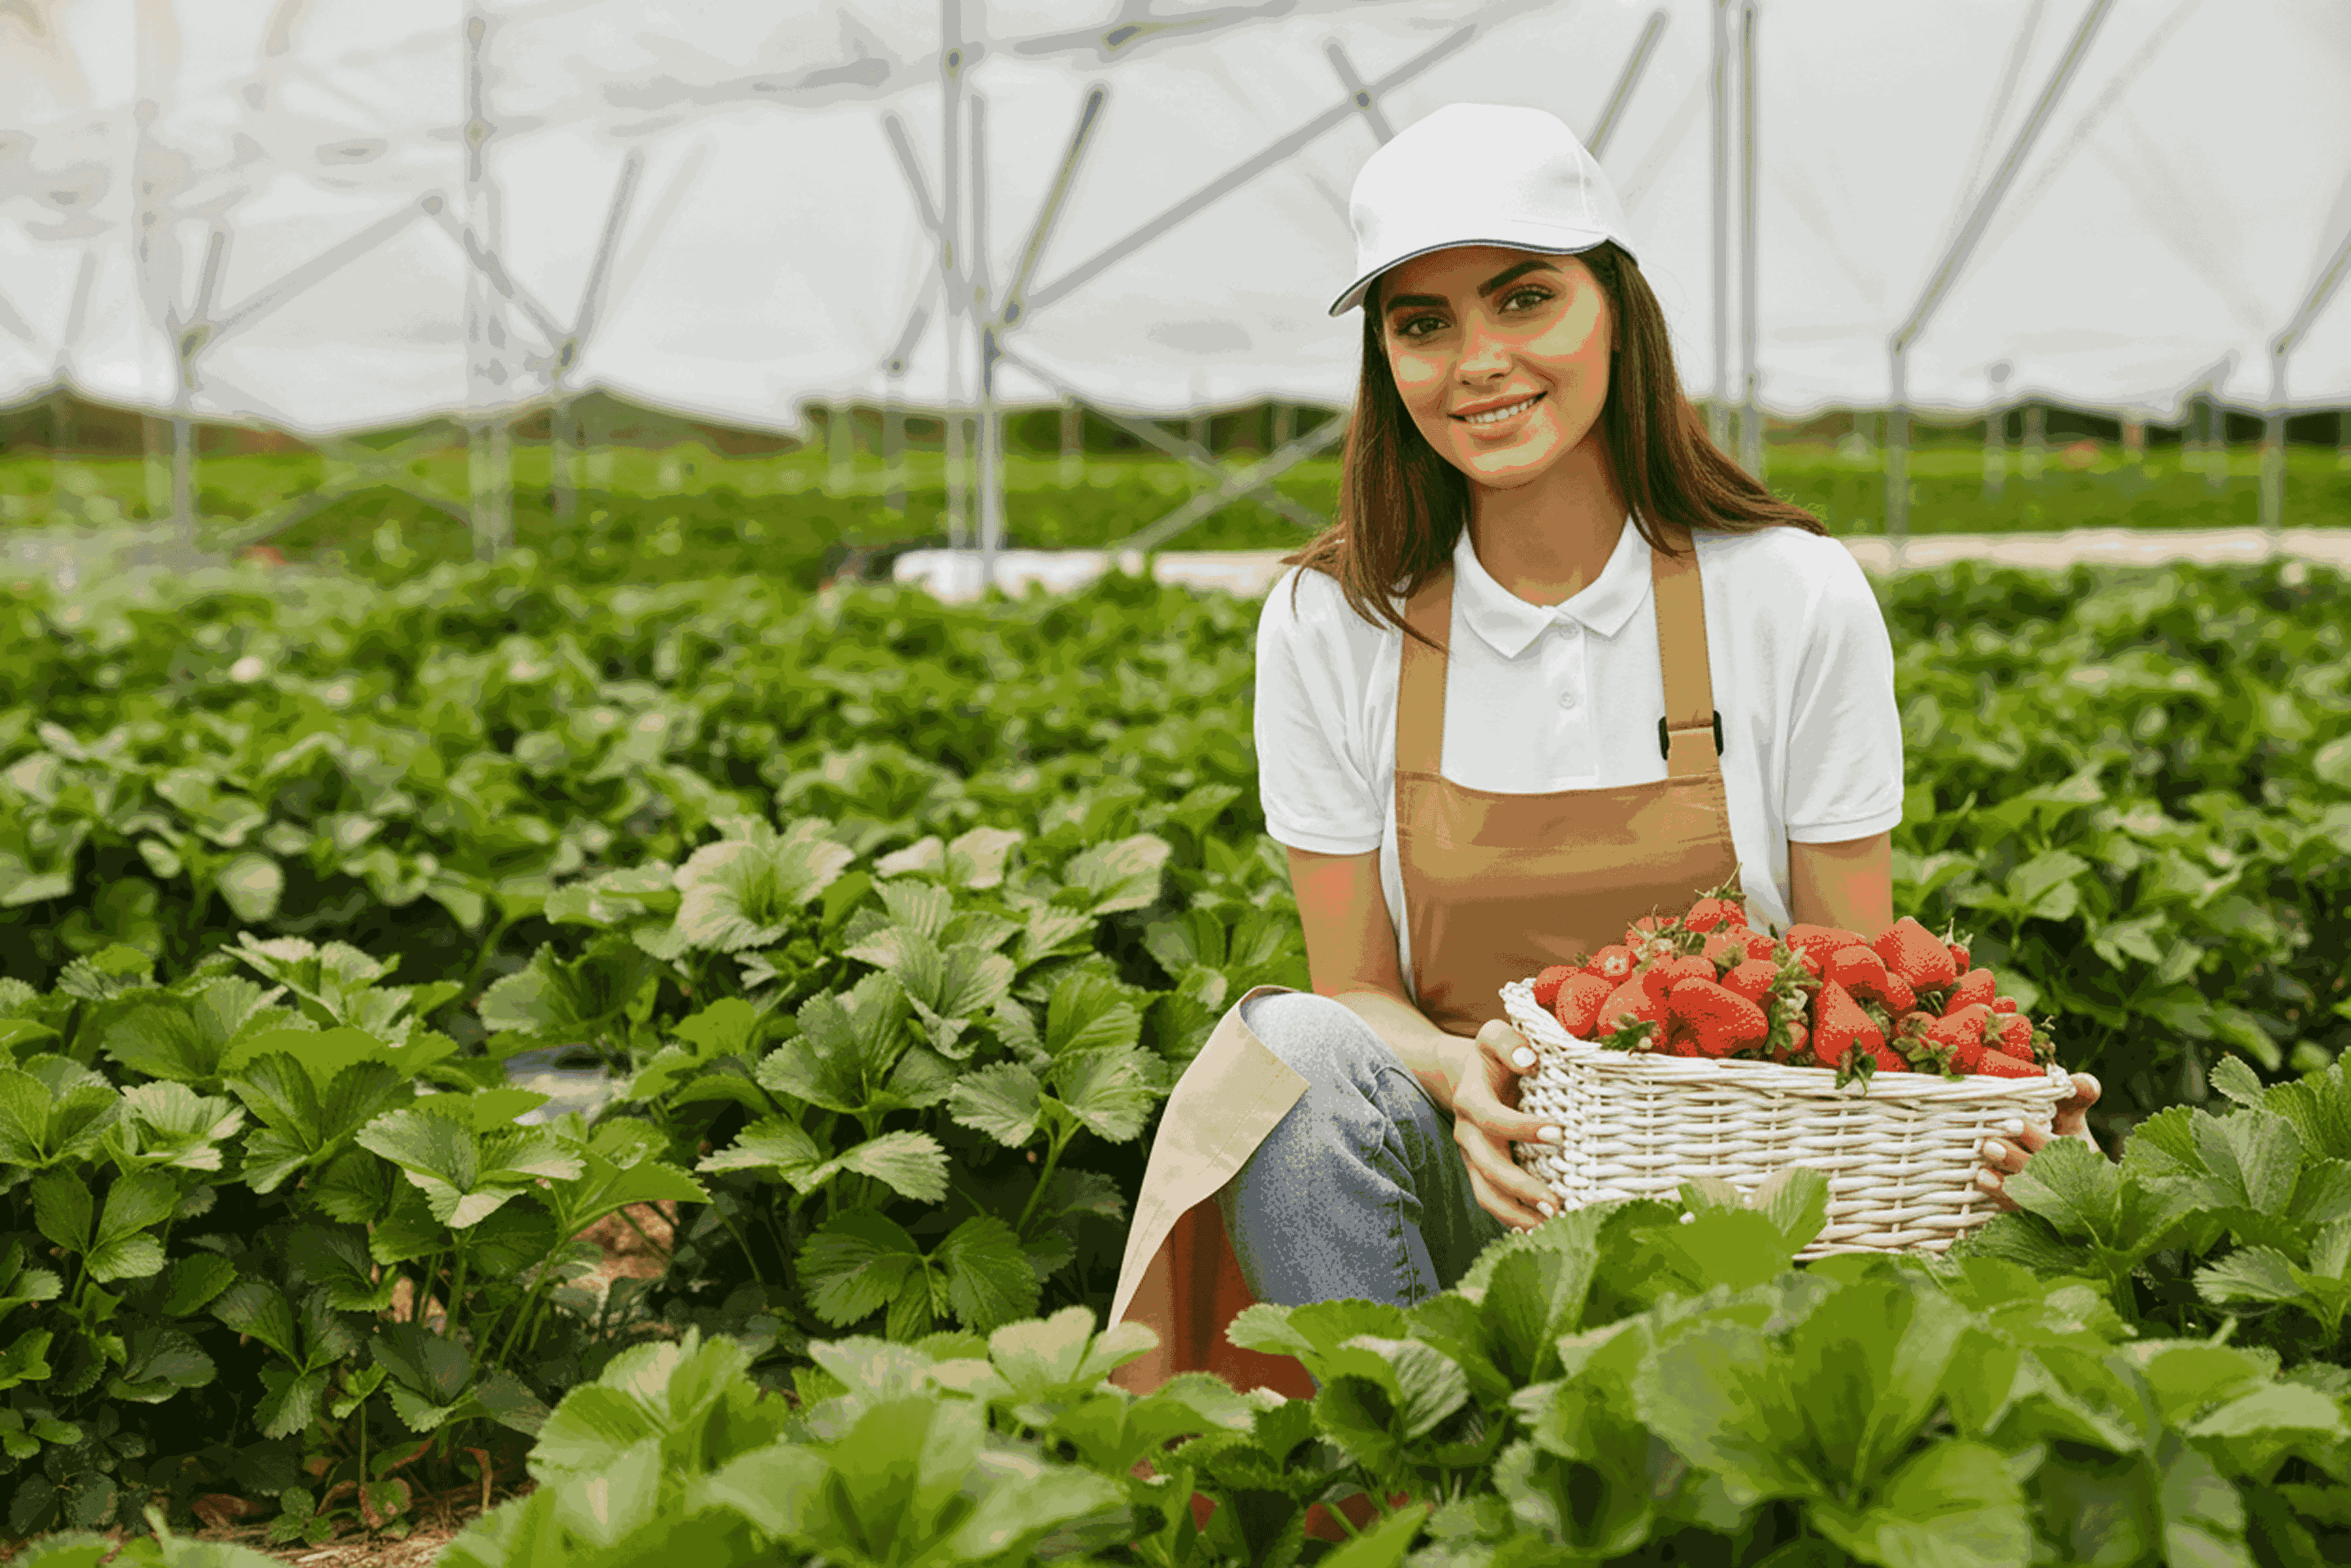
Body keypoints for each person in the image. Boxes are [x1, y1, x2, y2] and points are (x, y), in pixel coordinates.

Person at [1105, 102, 2101, 1403]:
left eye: (1524, 299)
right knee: (1289, 1047)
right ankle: (1404, 1456)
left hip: (1730, 1198)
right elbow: (1353, 989)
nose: (1477, 360)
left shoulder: (1790, 595)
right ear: (1383, 360)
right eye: (1423, 323)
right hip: (1467, 1176)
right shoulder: (1329, 621)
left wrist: (1996, 1099)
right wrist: (1474, 1076)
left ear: (1615, 311)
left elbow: (1849, 968)